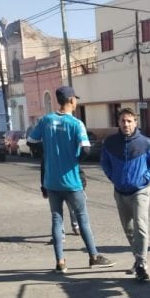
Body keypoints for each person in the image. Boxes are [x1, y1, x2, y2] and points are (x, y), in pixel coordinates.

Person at [27, 86, 115, 273]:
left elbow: (32, 141)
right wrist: (73, 161)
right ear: (71, 100)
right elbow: (86, 149)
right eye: (75, 99)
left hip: (51, 181)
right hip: (72, 180)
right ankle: (93, 256)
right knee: (82, 219)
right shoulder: (76, 124)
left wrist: (49, 153)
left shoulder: (45, 120)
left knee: (56, 219)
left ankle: (60, 262)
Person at [101, 108, 150, 281]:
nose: (126, 124)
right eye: (122, 121)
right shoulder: (110, 142)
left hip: (140, 191)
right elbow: (104, 162)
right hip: (120, 192)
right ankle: (138, 259)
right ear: (118, 123)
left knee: (140, 226)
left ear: (135, 122)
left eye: (129, 120)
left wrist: (145, 179)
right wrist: (112, 176)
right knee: (128, 229)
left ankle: (141, 264)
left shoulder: (145, 143)